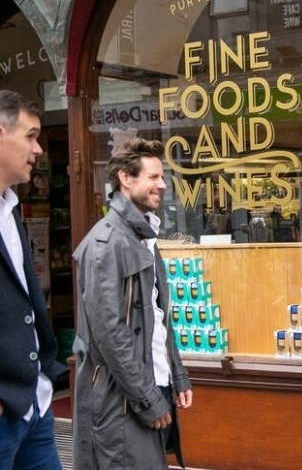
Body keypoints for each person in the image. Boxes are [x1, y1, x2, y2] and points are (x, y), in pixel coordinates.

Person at [72, 137, 193, 469]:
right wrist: (147, 399)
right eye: (153, 177)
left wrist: (177, 375)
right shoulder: (106, 243)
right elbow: (112, 335)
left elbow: (157, 317)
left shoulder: (143, 236)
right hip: (120, 404)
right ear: (126, 178)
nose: (162, 185)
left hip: (147, 391)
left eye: (162, 177)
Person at [0, 90, 67, 469]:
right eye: (30, 136)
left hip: (34, 404)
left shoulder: (10, 210)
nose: (38, 149)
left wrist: (45, 370)